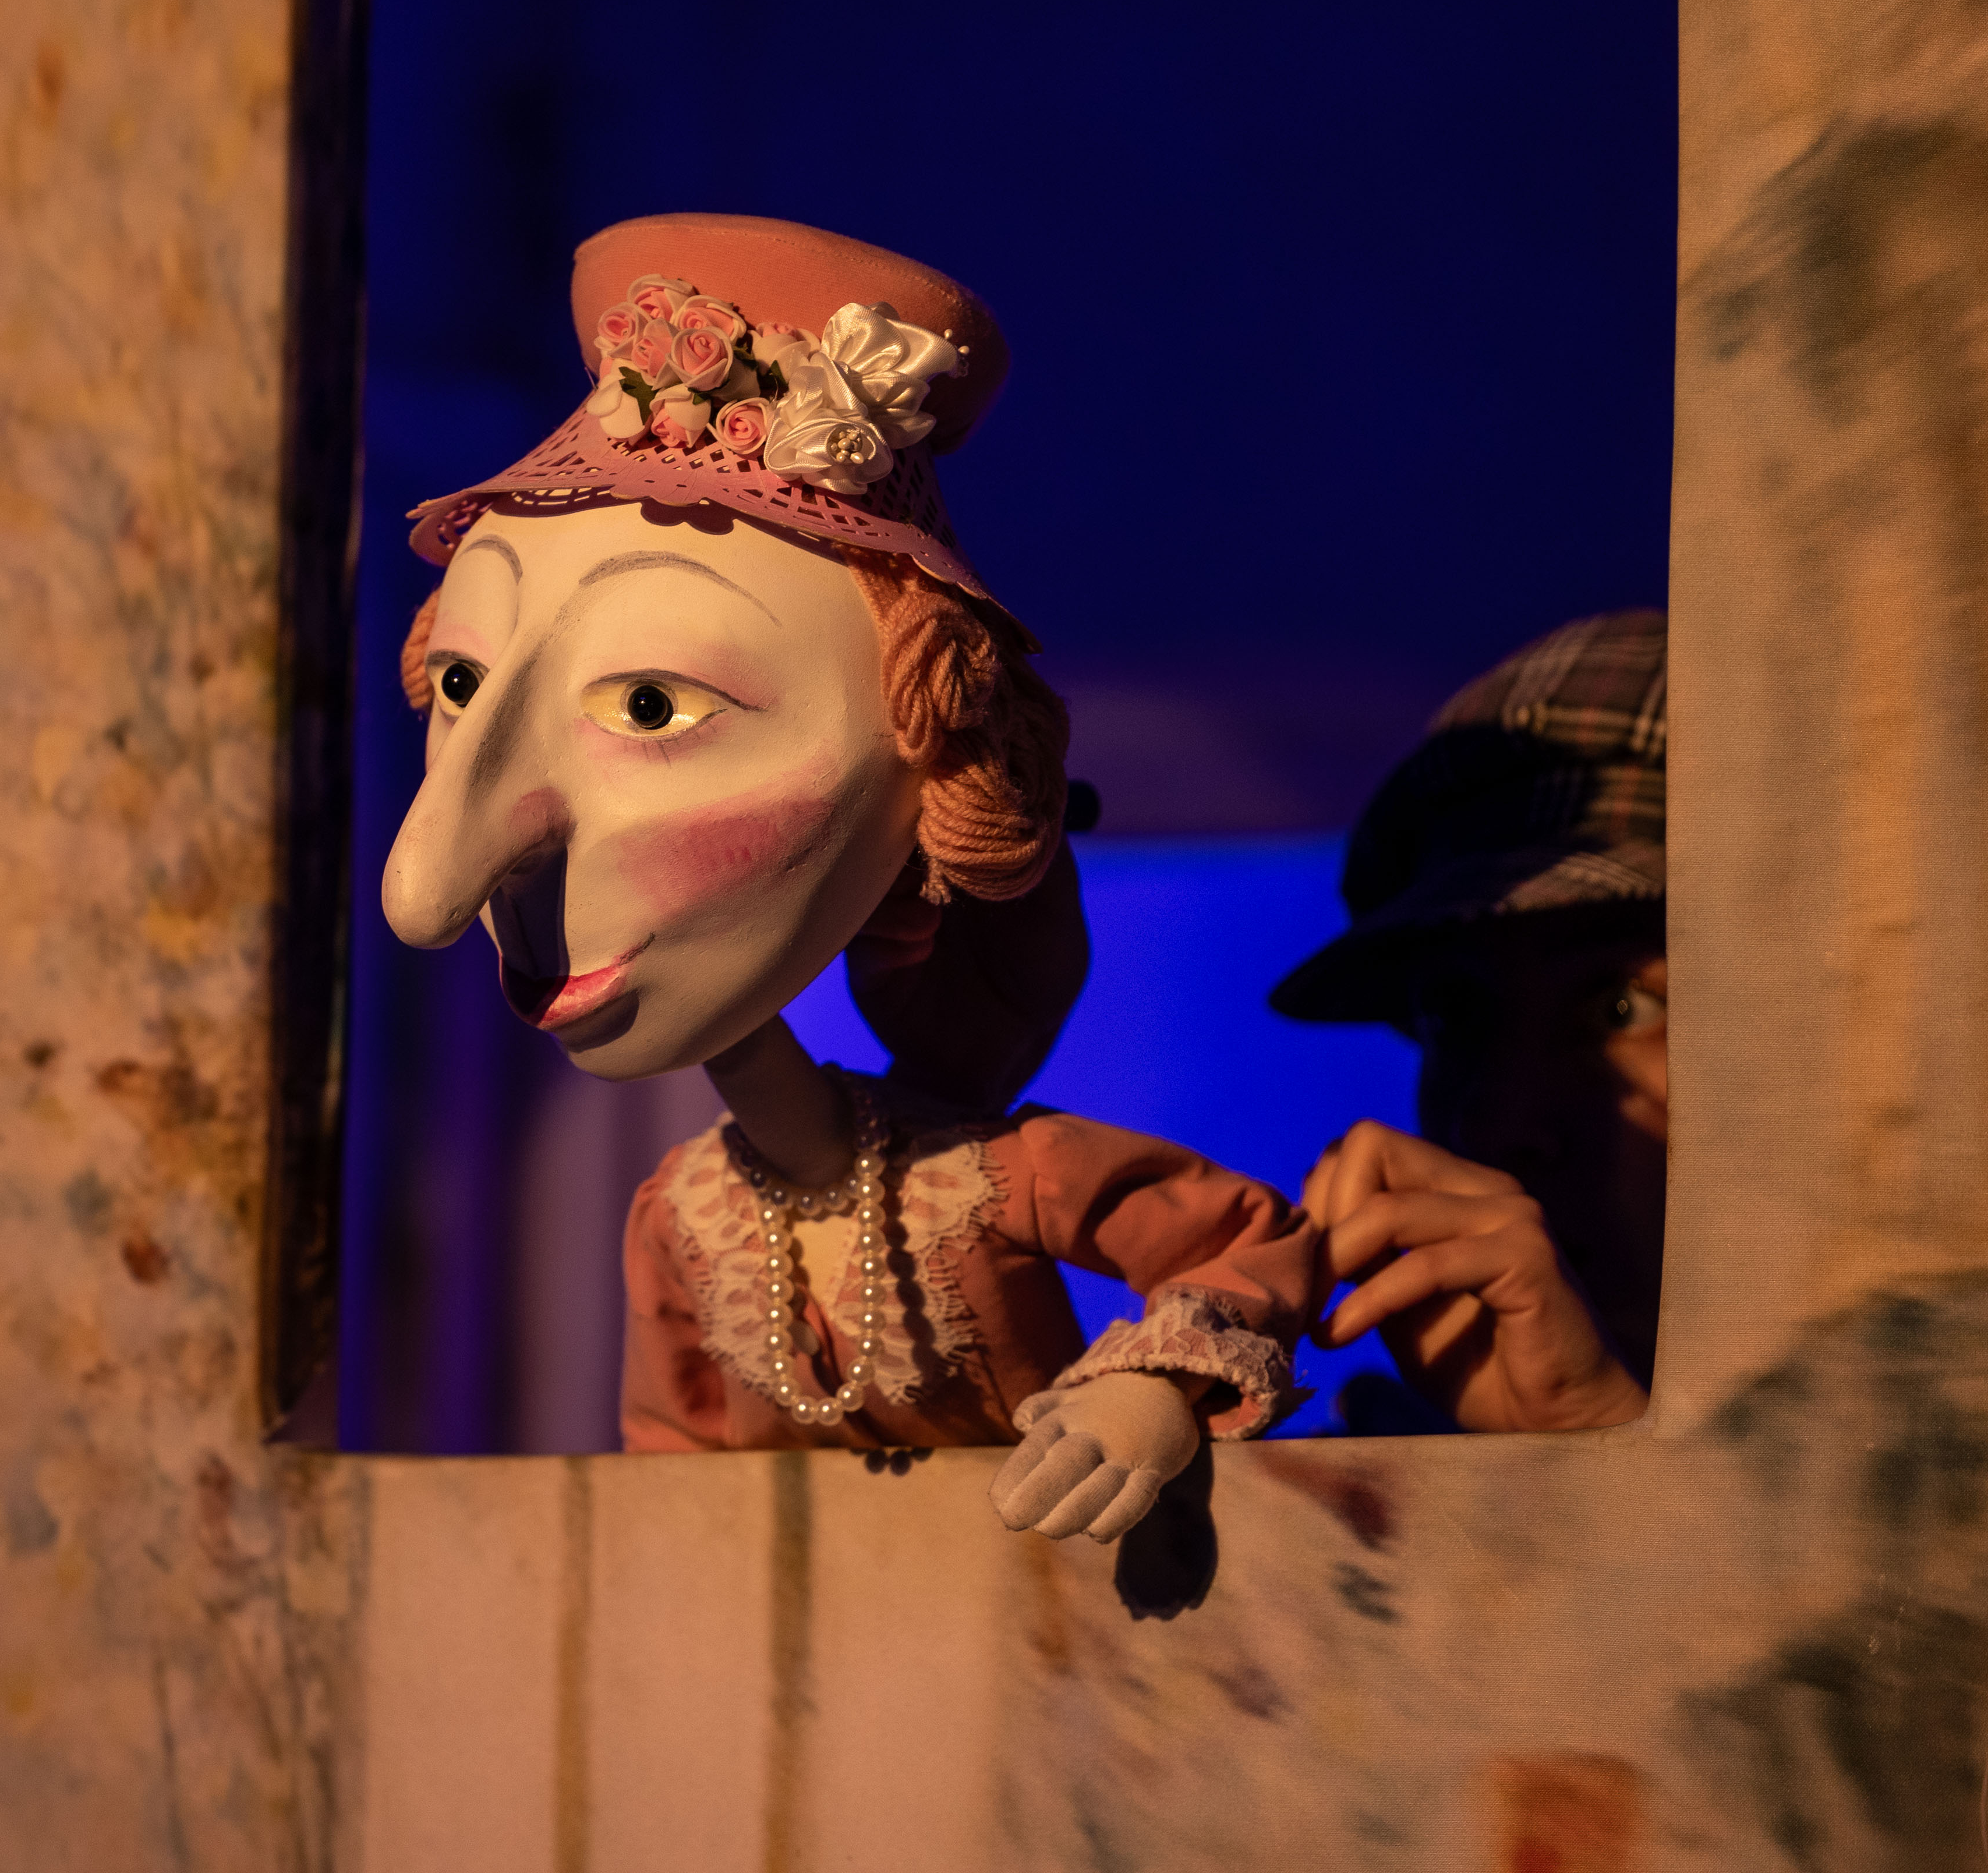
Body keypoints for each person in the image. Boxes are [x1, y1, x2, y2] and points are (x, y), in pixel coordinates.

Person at [380, 213, 1327, 1541]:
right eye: (461, 683)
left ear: (931, 765)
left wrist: (1155, 1386)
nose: (424, 891)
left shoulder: (994, 1182)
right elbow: (670, 1463)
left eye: (653, 703)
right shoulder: (679, 1221)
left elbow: (1248, 1241)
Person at [1271, 610, 1665, 1433]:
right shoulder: (1360, 1487)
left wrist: (1597, 1437)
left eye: (1621, 1008)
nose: (1497, 1124)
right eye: (1455, 1012)